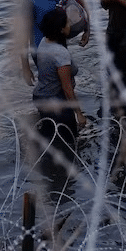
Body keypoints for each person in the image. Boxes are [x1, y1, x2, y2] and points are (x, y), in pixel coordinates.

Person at [32, 8, 87, 150]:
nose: (70, 25)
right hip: (55, 101)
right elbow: (67, 88)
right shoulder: (60, 53)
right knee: (69, 142)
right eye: (67, 23)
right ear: (61, 29)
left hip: (41, 96)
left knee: (50, 137)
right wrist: (79, 114)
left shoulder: (44, 41)